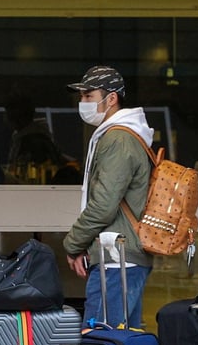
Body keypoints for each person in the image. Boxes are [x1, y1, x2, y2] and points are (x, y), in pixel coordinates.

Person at [63, 66, 154, 328]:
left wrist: (73, 243)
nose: (83, 103)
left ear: (111, 98)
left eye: (89, 96)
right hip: (121, 257)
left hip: (116, 259)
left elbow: (103, 205)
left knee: (102, 343)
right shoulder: (121, 135)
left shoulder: (118, 140)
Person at [4, 94, 72, 184]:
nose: (4, 117)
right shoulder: (24, 139)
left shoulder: (33, 143)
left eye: (7, 113)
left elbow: (31, 180)